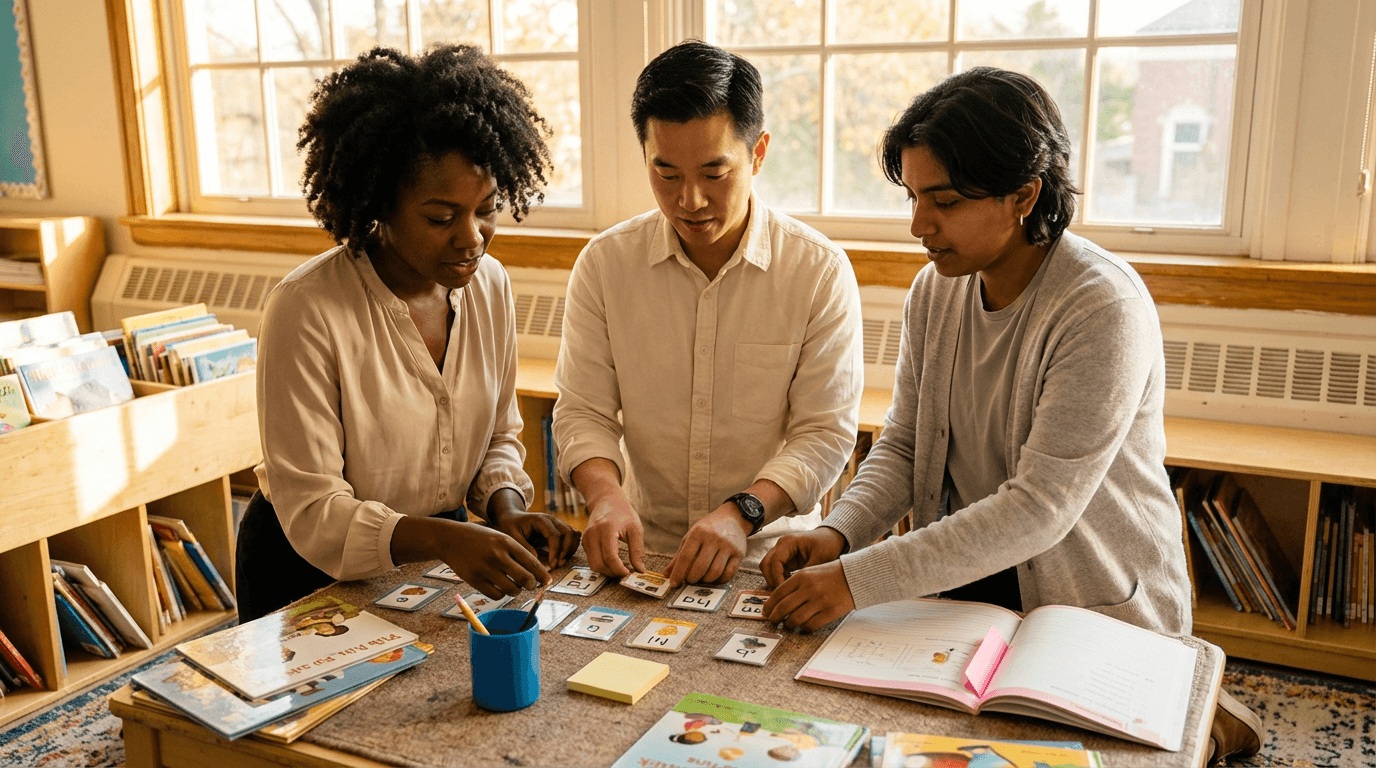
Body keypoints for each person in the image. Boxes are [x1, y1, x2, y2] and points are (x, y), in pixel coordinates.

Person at [758, 67, 1262, 766]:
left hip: (1084, 599)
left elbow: (1038, 509)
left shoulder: (1102, 306)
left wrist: (856, 579)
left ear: (1025, 194)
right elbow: (903, 445)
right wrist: (838, 533)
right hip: (965, 580)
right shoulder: (935, 290)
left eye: (945, 200)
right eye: (913, 197)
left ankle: (1200, 709)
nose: (918, 225)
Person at [237, 44, 580, 623]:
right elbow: (315, 510)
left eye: (488, 209)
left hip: (439, 555)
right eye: (440, 218)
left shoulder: (490, 284)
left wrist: (506, 509)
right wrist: (445, 539)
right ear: (379, 205)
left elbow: (497, 435)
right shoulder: (307, 308)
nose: (472, 237)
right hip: (305, 569)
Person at [553, 40, 864, 589]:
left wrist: (742, 513)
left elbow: (824, 432)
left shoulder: (818, 270)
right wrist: (604, 496)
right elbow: (584, 410)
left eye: (714, 173)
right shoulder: (605, 264)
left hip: (769, 554)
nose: (690, 200)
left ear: (758, 153)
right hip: (644, 549)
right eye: (667, 174)